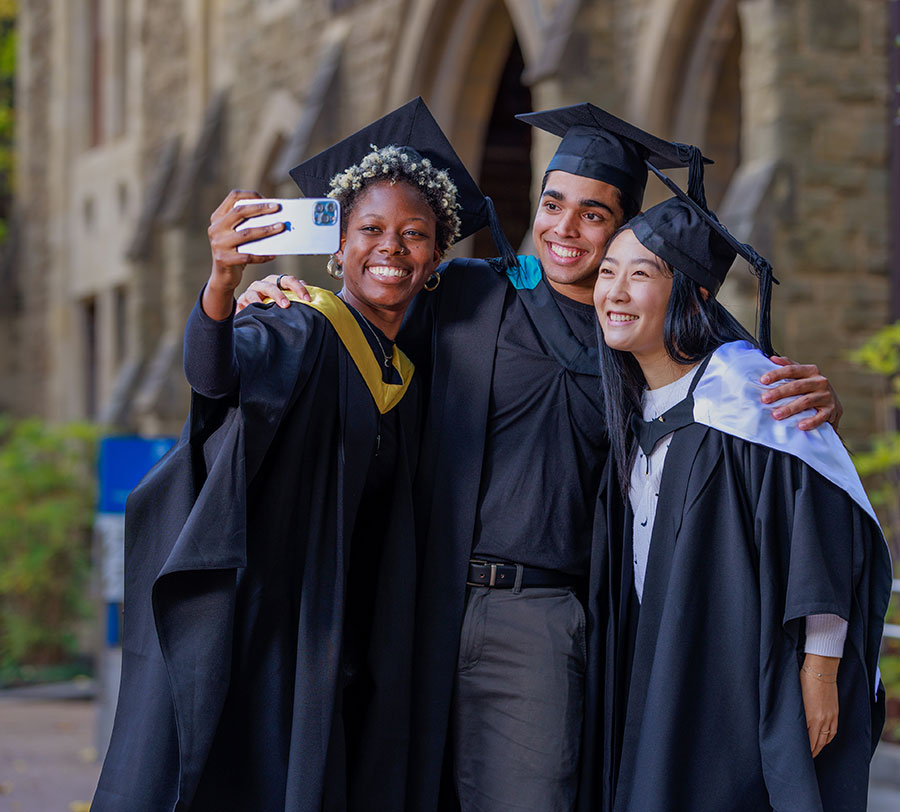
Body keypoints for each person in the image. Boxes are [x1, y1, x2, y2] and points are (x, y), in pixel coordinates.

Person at [239, 103, 842, 812]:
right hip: (411, 603)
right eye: (555, 203)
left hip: (539, 618)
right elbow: (363, 319)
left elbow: (756, 436)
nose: (564, 228)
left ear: (624, 229)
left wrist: (814, 404)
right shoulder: (465, 293)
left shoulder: (648, 337)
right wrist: (278, 297)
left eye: (594, 214)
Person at [91, 98, 513, 812]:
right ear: (338, 245)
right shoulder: (297, 324)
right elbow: (216, 375)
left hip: (362, 637)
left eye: (415, 234)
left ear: (436, 257)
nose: (392, 247)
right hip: (284, 631)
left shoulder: (413, 367)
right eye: (371, 229)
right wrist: (223, 285)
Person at [592, 185, 892, 812]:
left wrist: (821, 670)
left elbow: (822, 528)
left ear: (694, 294)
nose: (614, 292)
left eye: (640, 275)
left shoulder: (752, 398)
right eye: (608, 272)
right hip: (674, 662)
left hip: (746, 673)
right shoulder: (637, 404)